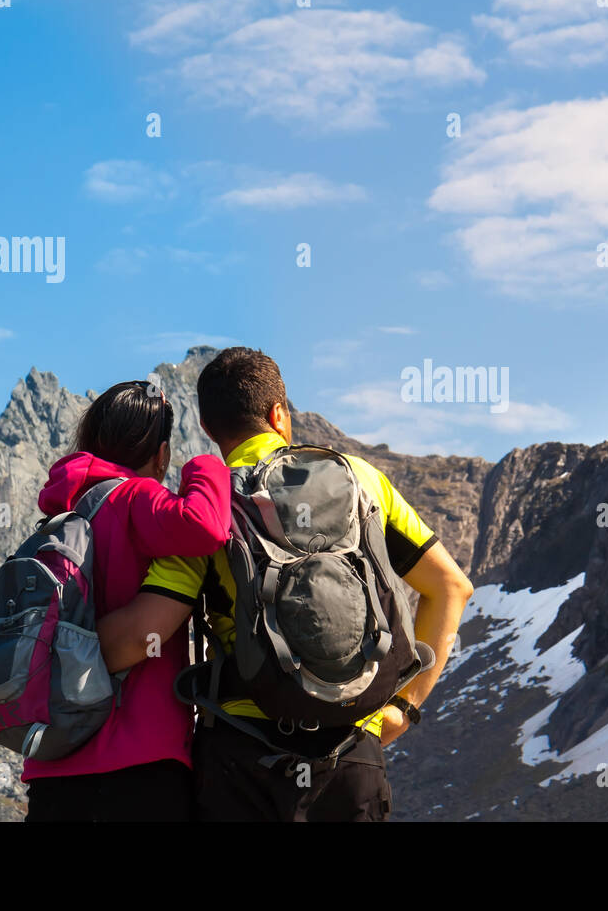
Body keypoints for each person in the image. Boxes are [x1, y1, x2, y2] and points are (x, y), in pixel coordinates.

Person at [97, 347, 475, 821]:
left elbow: (141, 636)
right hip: (352, 751)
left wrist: (53, 655)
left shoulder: (208, 511)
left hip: (242, 752)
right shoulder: (362, 480)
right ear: (279, 414)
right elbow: (451, 586)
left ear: (210, 431)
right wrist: (404, 707)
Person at [22, 380, 231, 822]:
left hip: (53, 766)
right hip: (137, 764)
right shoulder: (135, 496)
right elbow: (206, 527)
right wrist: (205, 466)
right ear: (160, 453)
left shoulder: (59, 517)